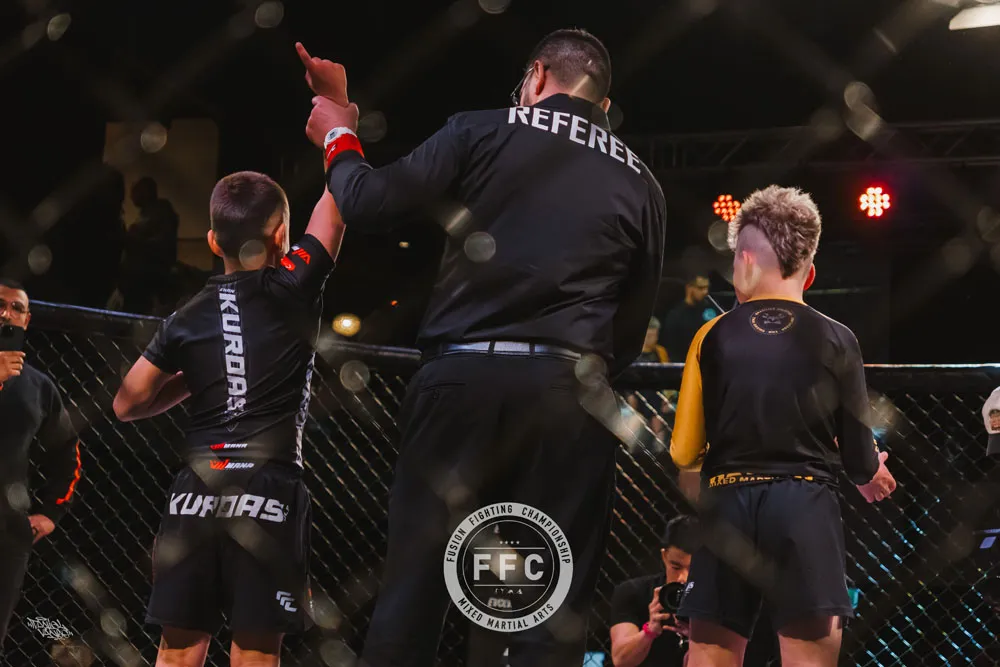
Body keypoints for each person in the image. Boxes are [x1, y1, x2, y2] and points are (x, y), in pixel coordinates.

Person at [299, 27, 666, 667]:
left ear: (538, 75)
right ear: (603, 105)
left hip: (461, 384)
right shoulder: (641, 182)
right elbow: (629, 333)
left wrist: (339, 130)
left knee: (413, 593)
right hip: (567, 399)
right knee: (543, 612)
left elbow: (365, 200)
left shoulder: (482, 129)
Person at [112, 173, 345, 667]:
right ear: (281, 235)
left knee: (177, 652)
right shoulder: (294, 284)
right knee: (255, 654)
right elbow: (338, 201)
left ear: (213, 241)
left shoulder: (186, 317)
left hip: (196, 490)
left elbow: (126, 404)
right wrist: (336, 134)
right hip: (267, 487)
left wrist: (192, 380)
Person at [669, 185, 897, 667]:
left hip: (727, 502)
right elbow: (859, 459)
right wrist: (868, 467)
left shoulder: (710, 335)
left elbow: (683, 450)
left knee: (709, 659)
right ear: (809, 272)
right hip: (804, 504)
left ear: (744, 262)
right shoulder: (837, 337)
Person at [0, 279, 82, 651]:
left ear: (27, 320)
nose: (6, 314)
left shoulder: (38, 386)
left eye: (16, 308)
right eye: (0, 304)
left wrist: (52, 511)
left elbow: (67, 452)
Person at [609, 515, 698, 667]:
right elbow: (621, 661)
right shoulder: (634, 592)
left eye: (694, 569)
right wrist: (650, 630)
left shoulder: (721, 598)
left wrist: (699, 639)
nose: (682, 578)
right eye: (676, 567)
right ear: (664, 556)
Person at [120, 177, 180, 315]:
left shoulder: (161, 212)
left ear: (146, 191)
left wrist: (132, 239)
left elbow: (160, 245)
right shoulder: (148, 213)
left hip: (151, 273)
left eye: (136, 191)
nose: (131, 196)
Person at [627, 317, 670, 439]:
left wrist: (667, 398)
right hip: (636, 394)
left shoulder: (660, 352)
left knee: (659, 423)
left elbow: (668, 376)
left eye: (654, 335)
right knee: (633, 425)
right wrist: (630, 396)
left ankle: (660, 446)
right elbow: (627, 376)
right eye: (648, 335)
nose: (651, 338)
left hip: (655, 395)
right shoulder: (633, 352)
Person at [660, 276, 719, 363]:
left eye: (707, 288)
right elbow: (671, 345)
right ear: (689, 288)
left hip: (708, 361)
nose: (705, 292)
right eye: (701, 288)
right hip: (685, 361)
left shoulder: (711, 309)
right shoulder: (676, 314)